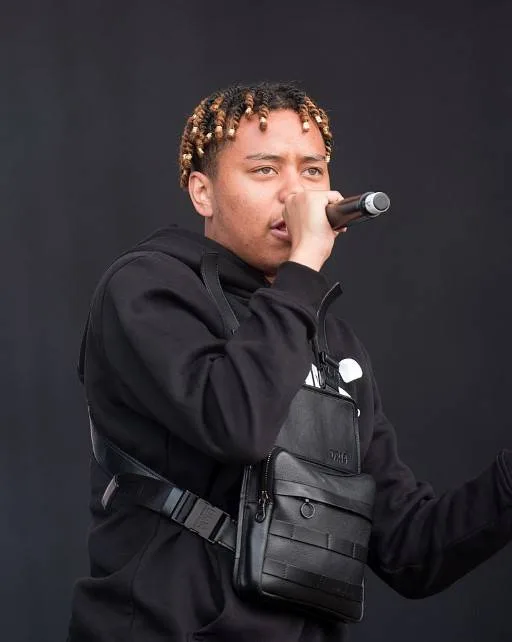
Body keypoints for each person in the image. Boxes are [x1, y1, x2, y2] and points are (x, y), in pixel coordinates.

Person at [67, 81, 512, 642]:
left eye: (312, 171)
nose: (296, 194)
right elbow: (236, 424)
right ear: (202, 192)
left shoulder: (329, 340)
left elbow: (411, 551)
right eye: (264, 170)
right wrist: (303, 266)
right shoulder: (146, 287)